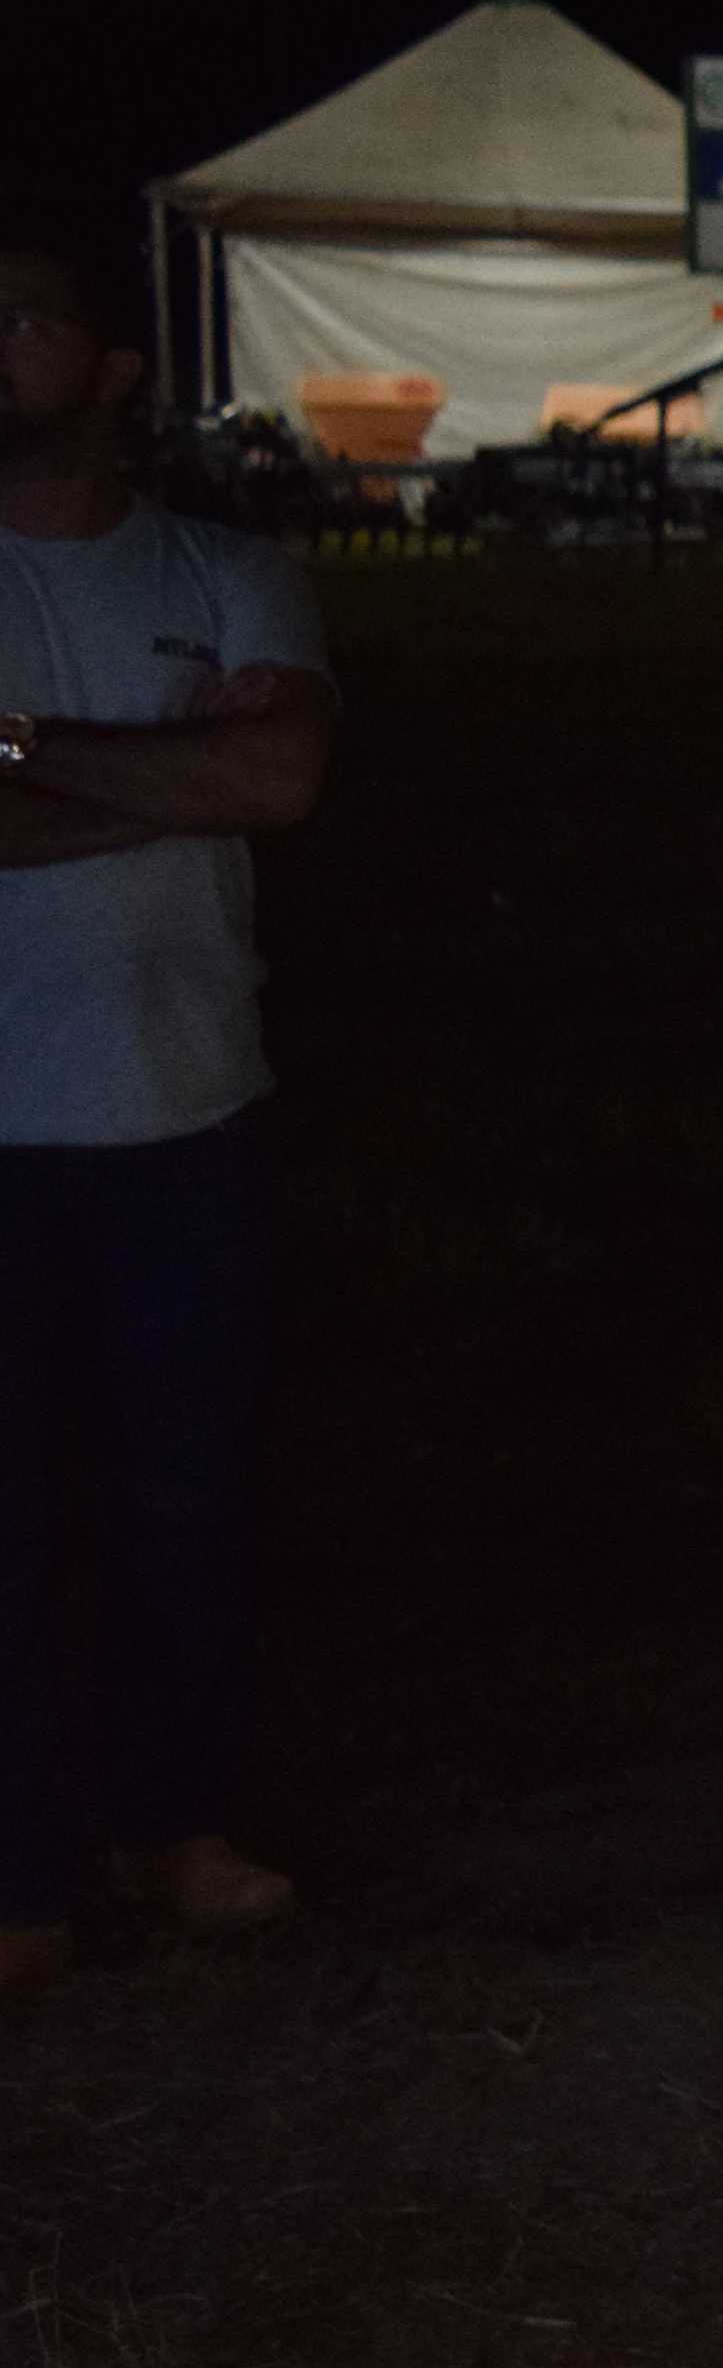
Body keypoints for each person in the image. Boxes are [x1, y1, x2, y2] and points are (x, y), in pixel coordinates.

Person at [0, 229, 334, 1999]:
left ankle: (169, 1825)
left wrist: (16, 747)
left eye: (24, 317)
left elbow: (281, 775)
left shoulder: (229, 570)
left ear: (118, 370)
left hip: (189, 1119)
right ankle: (15, 1879)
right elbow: (233, 777)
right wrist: (175, 772)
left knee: (184, 1505)